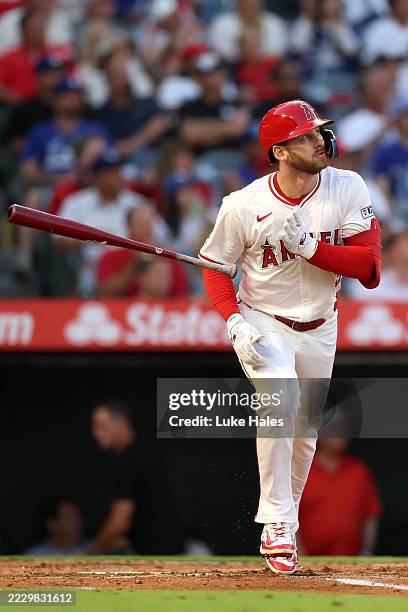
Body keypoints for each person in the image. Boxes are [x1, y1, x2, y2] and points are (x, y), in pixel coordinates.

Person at [199, 99, 382, 574]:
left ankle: (286, 519)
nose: (318, 140)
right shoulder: (243, 204)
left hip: (322, 325)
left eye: (318, 132)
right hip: (265, 319)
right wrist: (233, 320)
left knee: (305, 434)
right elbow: (216, 269)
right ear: (279, 150)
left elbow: (370, 267)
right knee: (278, 394)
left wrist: (312, 249)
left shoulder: (347, 186)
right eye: (304, 136)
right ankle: (276, 522)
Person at [89, 400, 184, 554]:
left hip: (160, 558)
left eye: (100, 425)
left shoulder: (128, 461)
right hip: (163, 552)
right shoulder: (141, 453)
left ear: (120, 423)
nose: (95, 432)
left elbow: (119, 522)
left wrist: (90, 552)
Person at [56, 148, 149, 295]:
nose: (117, 177)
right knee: (87, 278)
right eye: (110, 173)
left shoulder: (136, 202)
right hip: (91, 265)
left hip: (132, 263)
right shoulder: (77, 203)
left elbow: (159, 236)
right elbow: (58, 240)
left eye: (118, 171)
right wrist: (89, 238)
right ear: (97, 177)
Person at [299, 438, 382, 555]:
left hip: (352, 560)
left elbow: (371, 515)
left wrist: (366, 552)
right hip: (309, 560)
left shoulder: (358, 470)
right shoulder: (301, 471)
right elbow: (289, 517)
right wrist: (298, 554)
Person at [20, 77, 109, 184]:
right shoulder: (40, 131)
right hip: (49, 187)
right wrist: (57, 179)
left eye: (77, 95)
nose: (73, 100)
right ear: (54, 100)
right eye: (66, 96)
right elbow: (28, 170)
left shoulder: (96, 129)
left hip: (88, 186)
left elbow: (109, 162)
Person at [96, 206, 189, 298]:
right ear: (129, 227)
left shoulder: (168, 256)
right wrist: (133, 264)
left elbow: (182, 295)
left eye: (149, 225)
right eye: (141, 225)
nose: (147, 230)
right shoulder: (111, 256)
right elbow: (105, 293)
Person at [370, 100, 408, 230]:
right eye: (405, 116)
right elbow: (381, 186)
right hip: (398, 212)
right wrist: (390, 216)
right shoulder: (386, 152)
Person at [24, 497, 89, 556]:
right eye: (70, 517)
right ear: (52, 523)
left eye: (78, 516)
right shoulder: (35, 555)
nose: (78, 521)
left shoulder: (93, 547)